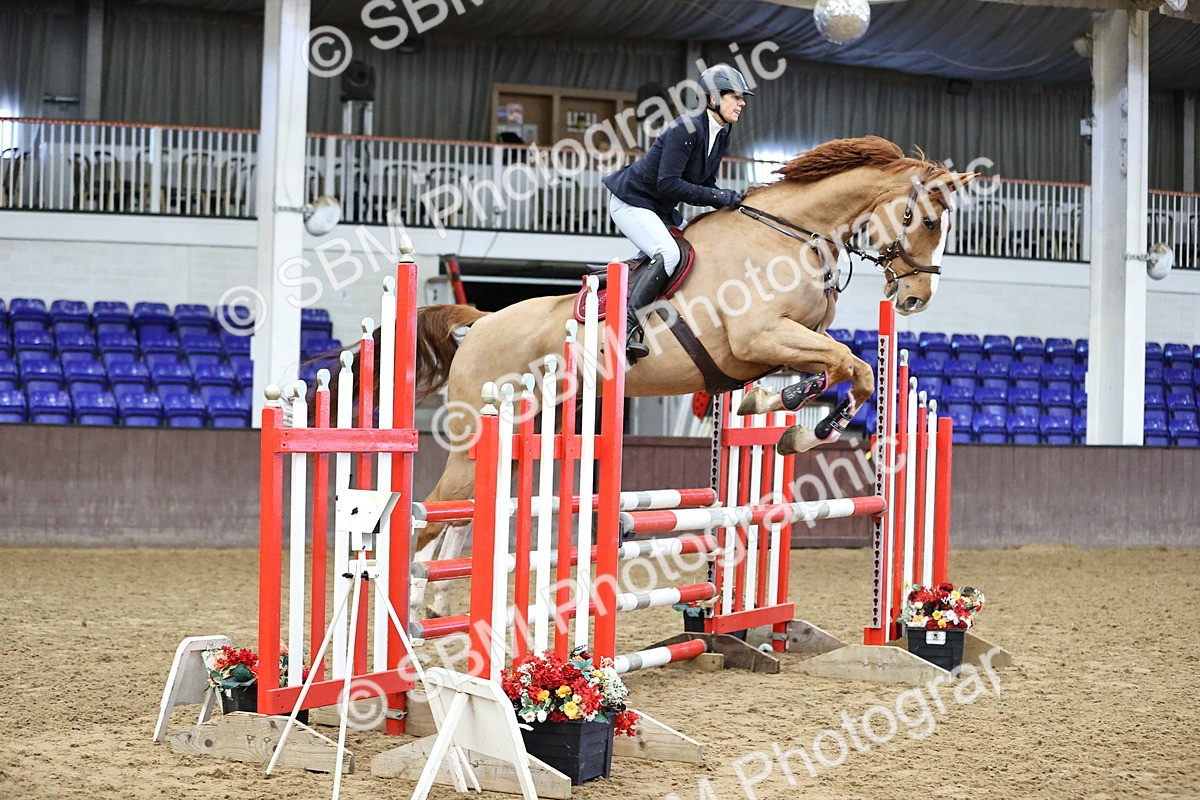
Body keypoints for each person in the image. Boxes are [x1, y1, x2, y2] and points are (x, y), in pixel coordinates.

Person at [602, 64, 753, 364]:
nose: (742, 103)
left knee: (698, 247)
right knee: (669, 254)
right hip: (632, 201)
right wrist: (719, 197)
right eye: (735, 97)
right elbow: (668, 183)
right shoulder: (685, 128)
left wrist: (731, 204)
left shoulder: (722, 133)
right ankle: (625, 330)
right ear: (713, 98)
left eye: (742, 98)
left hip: (660, 209)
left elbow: (705, 183)